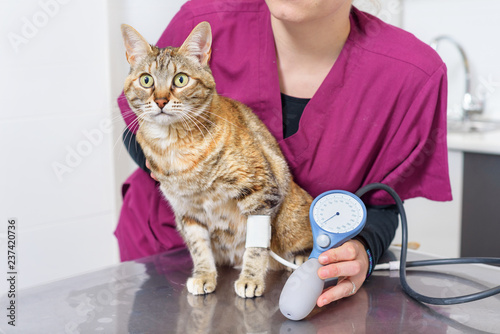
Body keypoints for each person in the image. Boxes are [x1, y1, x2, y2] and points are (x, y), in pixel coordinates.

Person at [117, 0, 452, 308]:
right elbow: (138, 125)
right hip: (165, 256)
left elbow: (383, 202)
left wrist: (363, 248)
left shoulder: (412, 73)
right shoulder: (204, 16)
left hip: (300, 267)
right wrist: (179, 167)